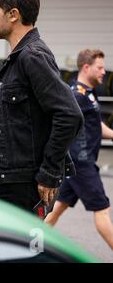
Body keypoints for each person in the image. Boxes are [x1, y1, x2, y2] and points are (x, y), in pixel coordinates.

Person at [0, 0, 83, 214]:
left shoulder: (32, 56)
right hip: (14, 178)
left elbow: (69, 115)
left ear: (13, 15)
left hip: (26, 184)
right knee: (14, 249)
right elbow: (25, 107)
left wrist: (49, 173)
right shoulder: (19, 58)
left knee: (25, 249)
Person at [45, 49, 113, 249]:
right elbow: (58, 121)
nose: (103, 72)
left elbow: (96, 126)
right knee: (102, 208)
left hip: (77, 164)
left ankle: (28, 247)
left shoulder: (88, 94)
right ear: (86, 67)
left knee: (56, 210)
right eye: (99, 67)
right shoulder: (76, 95)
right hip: (81, 164)